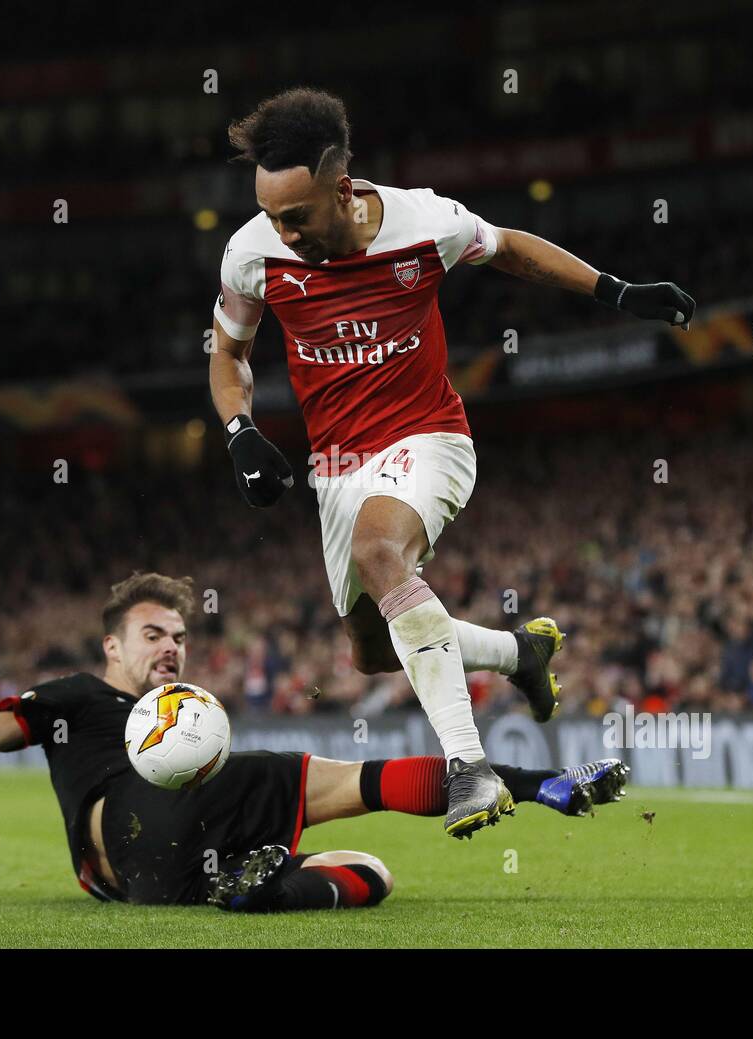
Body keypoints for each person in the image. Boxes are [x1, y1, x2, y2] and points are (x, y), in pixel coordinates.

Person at [209, 87, 689, 837]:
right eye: (271, 215)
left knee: (380, 553)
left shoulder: (423, 222)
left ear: (342, 188)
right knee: (373, 650)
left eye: (296, 216)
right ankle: (518, 650)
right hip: (335, 467)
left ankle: (470, 767)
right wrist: (239, 432)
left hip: (426, 436)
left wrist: (615, 290)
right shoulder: (251, 254)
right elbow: (228, 355)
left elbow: (510, 248)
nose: (283, 231)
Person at [0, 571, 630, 912]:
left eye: (178, 634)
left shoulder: (190, 714)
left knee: (373, 872)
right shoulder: (78, 696)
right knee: (338, 779)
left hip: (172, 877)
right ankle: (538, 782)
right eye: (151, 633)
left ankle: (261, 892)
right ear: (111, 645)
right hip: (128, 831)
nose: (170, 646)